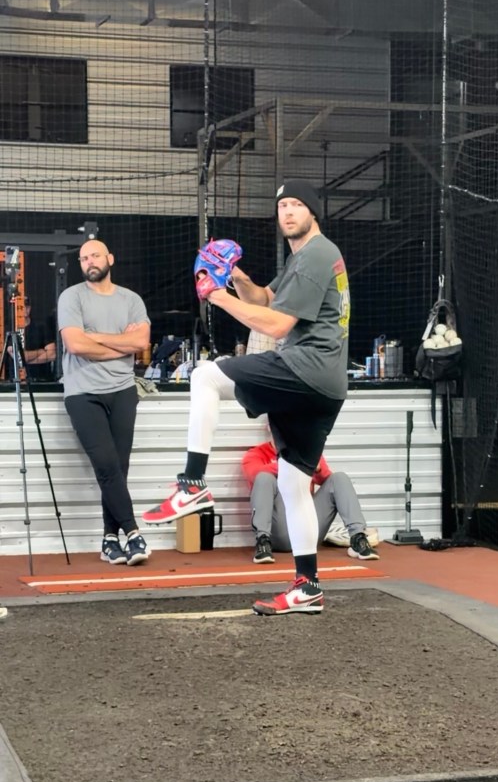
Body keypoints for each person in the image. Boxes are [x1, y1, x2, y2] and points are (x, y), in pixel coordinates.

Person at [143, 179, 351, 616]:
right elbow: (267, 299)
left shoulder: (315, 254)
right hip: (325, 386)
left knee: (205, 375)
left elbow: (275, 325)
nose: (287, 212)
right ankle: (308, 587)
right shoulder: (305, 257)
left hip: (304, 369)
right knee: (293, 484)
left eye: (296, 205)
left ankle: (192, 484)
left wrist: (217, 295)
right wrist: (235, 276)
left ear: (313, 212)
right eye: (282, 205)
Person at [57, 239, 152, 566]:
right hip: (82, 393)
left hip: (123, 390)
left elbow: (141, 341)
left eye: (95, 255)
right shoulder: (71, 297)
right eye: (84, 258)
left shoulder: (131, 300)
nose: (89, 262)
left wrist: (94, 336)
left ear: (110, 258)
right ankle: (133, 533)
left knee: (119, 468)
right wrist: (121, 344)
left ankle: (110, 540)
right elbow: (75, 344)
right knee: (107, 465)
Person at [242, 434, 380, 564]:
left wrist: (316, 468)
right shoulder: (256, 453)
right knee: (264, 477)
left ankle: (358, 538)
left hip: (308, 529)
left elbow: (329, 481)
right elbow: (253, 474)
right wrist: (297, 464)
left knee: (339, 478)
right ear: (271, 426)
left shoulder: (307, 451)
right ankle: (263, 542)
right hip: (279, 531)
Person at [7, 297, 56, 381]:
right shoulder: (10, 329)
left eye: (27, 306)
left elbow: (52, 354)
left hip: (41, 380)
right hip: (16, 381)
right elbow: (19, 357)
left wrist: (27, 362)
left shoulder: (41, 327)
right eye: (21, 307)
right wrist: (41, 351)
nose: (25, 309)